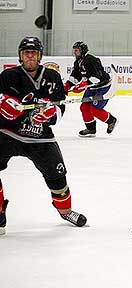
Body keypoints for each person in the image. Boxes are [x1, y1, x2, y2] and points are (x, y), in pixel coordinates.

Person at [0, 37, 87, 234]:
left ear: (39, 56)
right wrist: (2, 102)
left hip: (40, 137)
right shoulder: (8, 76)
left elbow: (60, 109)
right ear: (20, 56)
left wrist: (49, 115)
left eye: (33, 53)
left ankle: (65, 211)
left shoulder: (52, 77)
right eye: (26, 53)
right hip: (6, 133)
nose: (30, 56)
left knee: (58, 178)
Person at [64, 41, 117, 137]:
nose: (75, 53)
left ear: (83, 51)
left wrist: (83, 85)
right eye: (74, 51)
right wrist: (67, 86)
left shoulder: (91, 59)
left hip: (103, 87)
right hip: (92, 88)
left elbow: (98, 77)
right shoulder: (78, 62)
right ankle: (91, 129)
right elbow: (75, 77)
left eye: (77, 50)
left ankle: (112, 120)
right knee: (84, 107)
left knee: (95, 110)